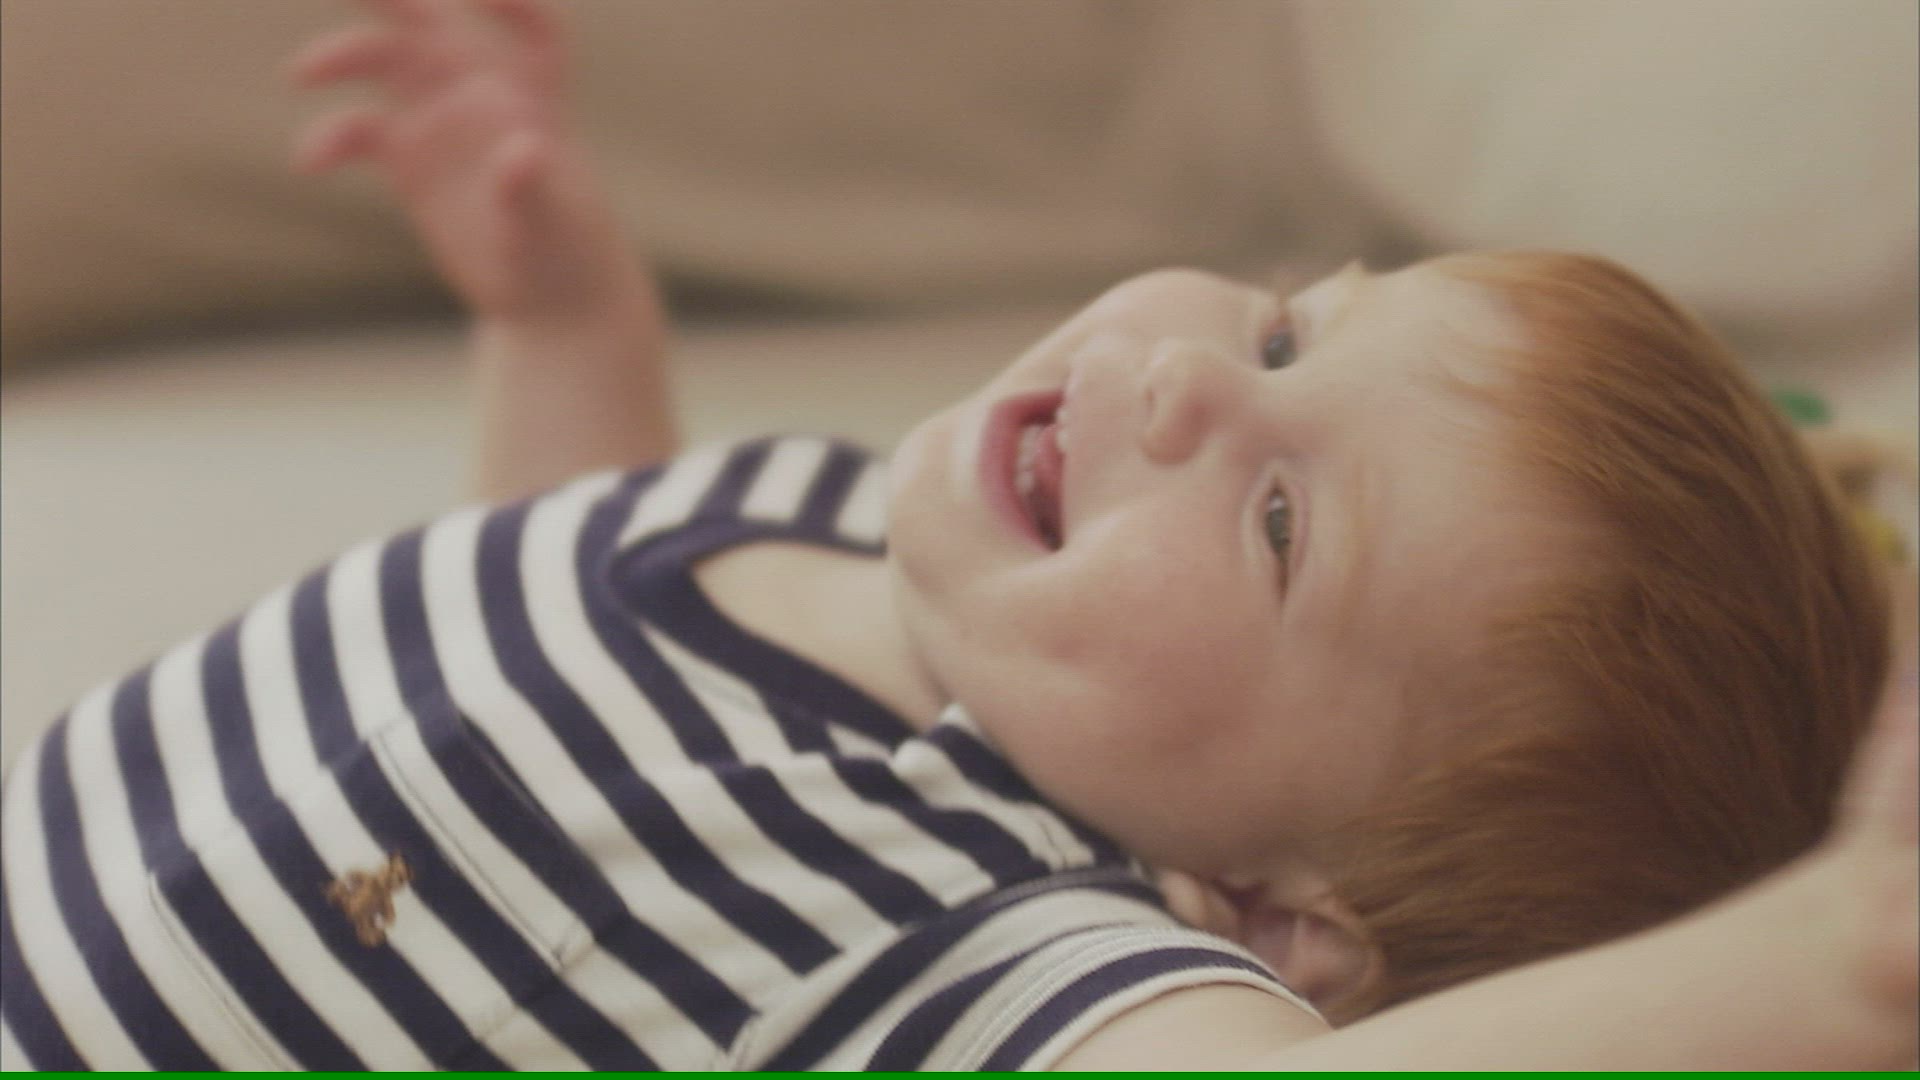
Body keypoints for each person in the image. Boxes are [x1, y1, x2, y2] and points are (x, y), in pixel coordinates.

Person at [2, 0, 1912, 1069]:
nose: (1191, 382)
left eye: (1276, 525)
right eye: (1288, 332)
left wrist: (1836, 961)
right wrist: (565, 330)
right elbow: (525, 751)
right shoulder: (831, 509)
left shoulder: (991, 926)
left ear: (1280, 919)